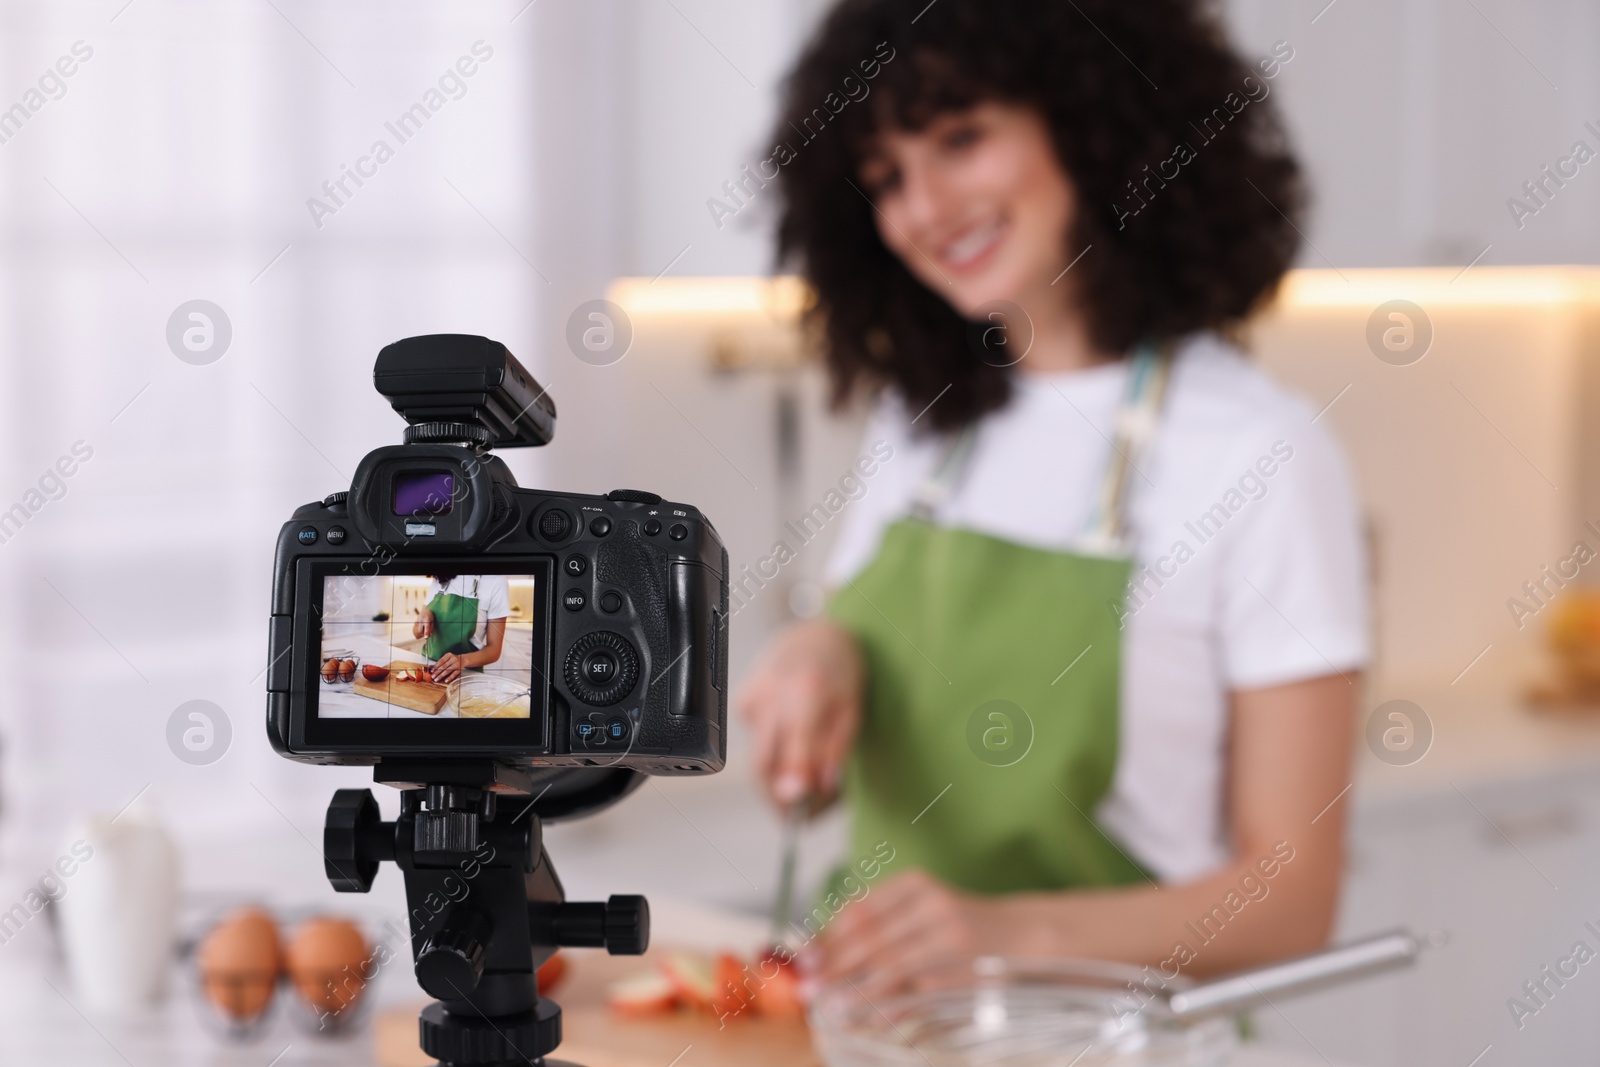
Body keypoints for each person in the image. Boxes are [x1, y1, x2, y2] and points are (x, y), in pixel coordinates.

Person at [739, 0, 1368, 998]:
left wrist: (1000, 932)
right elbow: (858, 671)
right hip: (877, 1026)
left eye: (960, 137)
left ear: (1093, 119)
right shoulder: (922, 419)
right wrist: (821, 651)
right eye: (886, 177)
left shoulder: (1260, 451)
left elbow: (1291, 897)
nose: (927, 207)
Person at [413, 573, 510, 684]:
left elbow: (494, 650)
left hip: (466, 675)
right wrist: (425, 613)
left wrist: (462, 660)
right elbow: (416, 633)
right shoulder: (440, 575)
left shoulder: (497, 581)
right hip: (429, 669)